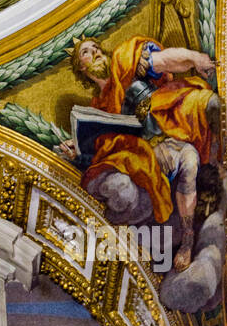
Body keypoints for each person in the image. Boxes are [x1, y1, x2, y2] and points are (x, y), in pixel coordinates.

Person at [58, 36, 218, 270]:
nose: (96, 52)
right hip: (142, 157)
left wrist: (194, 58)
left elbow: (165, 61)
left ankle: (187, 238)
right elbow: (101, 156)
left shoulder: (124, 61)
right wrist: (77, 153)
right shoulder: (97, 109)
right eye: (86, 52)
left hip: (171, 128)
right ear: (81, 68)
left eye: (96, 47)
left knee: (190, 158)